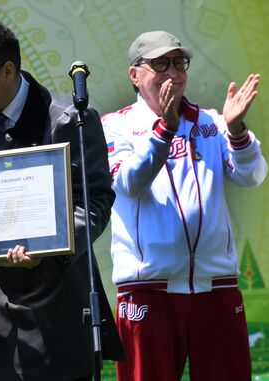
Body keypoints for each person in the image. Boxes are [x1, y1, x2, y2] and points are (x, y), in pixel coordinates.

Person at [0, 20, 124, 380]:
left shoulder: (69, 119)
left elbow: (96, 199)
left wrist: (49, 245)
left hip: (56, 301)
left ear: (8, 70)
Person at [102, 30, 267, 380]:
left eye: (179, 63)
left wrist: (237, 131)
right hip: (149, 289)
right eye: (160, 63)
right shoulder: (115, 126)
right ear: (135, 75)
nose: (172, 72)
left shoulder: (212, 122)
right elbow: (130, 183)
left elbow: (251, 175)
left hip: (215, 286)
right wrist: (165, 129)